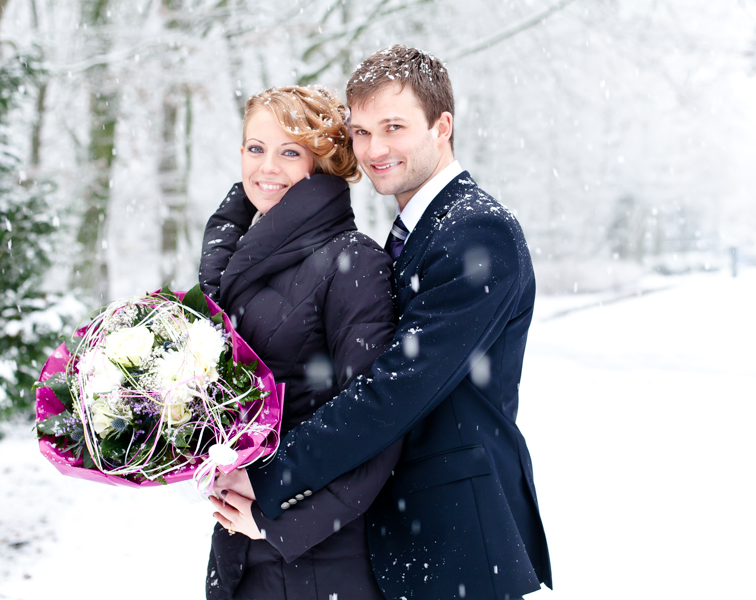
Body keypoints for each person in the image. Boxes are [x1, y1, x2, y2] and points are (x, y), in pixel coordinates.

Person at [216, 46, 552, 599]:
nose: (375, 149)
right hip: (397, 538)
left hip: (457, 540)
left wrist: (269, 475)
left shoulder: (477, 233)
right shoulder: (413, 234)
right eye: (362, 131)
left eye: (393, 127)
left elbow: (392, 391)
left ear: (442, 126)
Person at [198, 85, 401, 600]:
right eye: (255, 148)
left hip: (318, 562)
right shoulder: (237, 257)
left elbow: (376, 425)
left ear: (324, 162)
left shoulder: (354, 261)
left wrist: (275, 524)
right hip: (241, 547)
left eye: (290, 152)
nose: (267, 167)